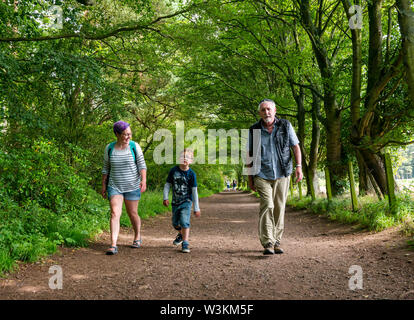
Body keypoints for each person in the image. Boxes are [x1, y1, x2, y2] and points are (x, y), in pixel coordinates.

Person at [247, 99, 303, 255]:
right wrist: (250, 177)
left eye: (269, 109)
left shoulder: (285, 126)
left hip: (282, 173)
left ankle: (277, 241)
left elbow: (295, 146)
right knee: (267, 205)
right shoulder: (254, 130)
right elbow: (249, 154)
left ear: (275, 110)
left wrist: (299, 167)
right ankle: (268, 242)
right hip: (261, 173)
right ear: (259, 113)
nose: (266, 113)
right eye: (263, 110)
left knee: (279, 207)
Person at [101, 121, 147, 255]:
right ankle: (113, 244)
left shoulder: (134, 146)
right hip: (115, 186)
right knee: (115, 213)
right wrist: (103, 185)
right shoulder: (109, 148)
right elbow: (106, 168)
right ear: (116, 134)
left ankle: (137, 236)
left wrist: (143, 180)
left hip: (132, 185)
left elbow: (142, 165)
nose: (128, 137)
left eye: (129, 134)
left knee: (132, 213)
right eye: (125, 134)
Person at [163, 149, 201, 253]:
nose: (185, 159)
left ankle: (185, 243)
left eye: (187, 157)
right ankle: (181, 234)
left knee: (184, 222)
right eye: (183, 157)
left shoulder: (191, 174)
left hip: (186, 201)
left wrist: (196, 208)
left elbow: (194, 191)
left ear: (191, 161)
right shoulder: (173, 171)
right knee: (175, 223)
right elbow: (167, 185)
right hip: (175, 202)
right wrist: (165, 197)